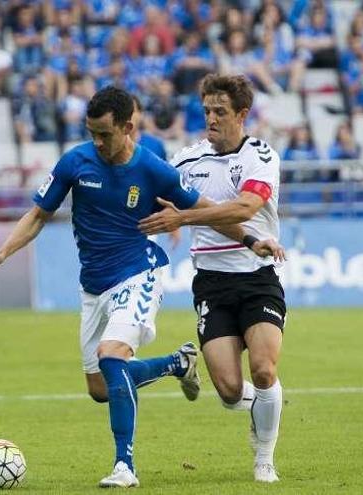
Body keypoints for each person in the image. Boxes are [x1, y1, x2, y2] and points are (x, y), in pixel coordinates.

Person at [0, 86, 282, 488]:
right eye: (91, 133)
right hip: (93, 287)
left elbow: (205, 211)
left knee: (112, 355)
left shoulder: (153, 170)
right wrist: (3, 251)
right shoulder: (75, 162)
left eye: (103, 133)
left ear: (127, 127)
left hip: (139, 274)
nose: (96, 141)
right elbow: (38, 214)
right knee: (100, 387)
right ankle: (176, 364)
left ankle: (124, 466)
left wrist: (252, 241)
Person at [138, 74, 287, 483]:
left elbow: (244, 208)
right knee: (227, 390)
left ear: (242, 114)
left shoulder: (261, 156)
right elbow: (158, 196)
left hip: (257, 277)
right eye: (206, 110)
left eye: (220, 111)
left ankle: (264, 459)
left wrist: (183, 216)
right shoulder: (187, 160)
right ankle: (268, 403)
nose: (211, 118)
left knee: (263, 369)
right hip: (212, 284)